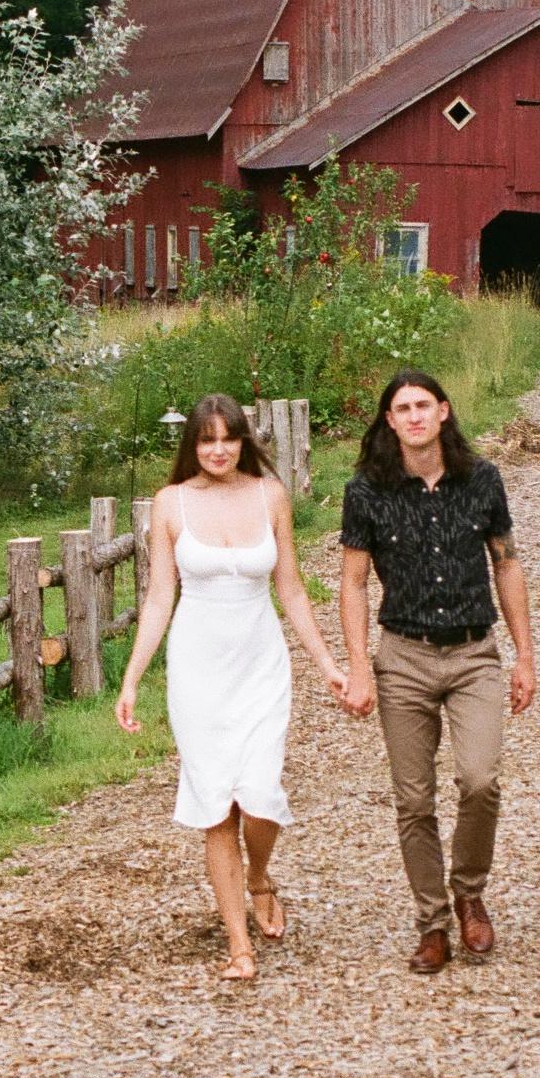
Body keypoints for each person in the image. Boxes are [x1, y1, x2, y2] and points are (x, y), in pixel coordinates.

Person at [116, 395, 347, 982]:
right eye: (205, 440)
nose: (217, 451)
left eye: (228, 439)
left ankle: (259, 875)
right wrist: (132, 679)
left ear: (244, 440)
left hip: (259, 660)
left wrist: (327, 664)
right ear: (191, 446)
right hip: (197, 667)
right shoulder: (170, 503)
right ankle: (237, 943)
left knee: (261, 793)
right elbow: (160, 596)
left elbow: (291, 589)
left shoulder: (270, 494)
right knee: (217, 804)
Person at [338, 369, 538, 974]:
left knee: (480, 780)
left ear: (444, 412)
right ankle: (432, 922)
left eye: (424, 405)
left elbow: (506, 564)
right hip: (403, 656)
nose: (415, 416)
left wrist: (525, 655)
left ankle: (469, 890)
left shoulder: (482, 480)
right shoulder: (367, 489)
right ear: (390, 421)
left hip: (474, 652)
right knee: (413, 798)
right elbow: (351, 582)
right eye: (403, 408)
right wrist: (358, 669)